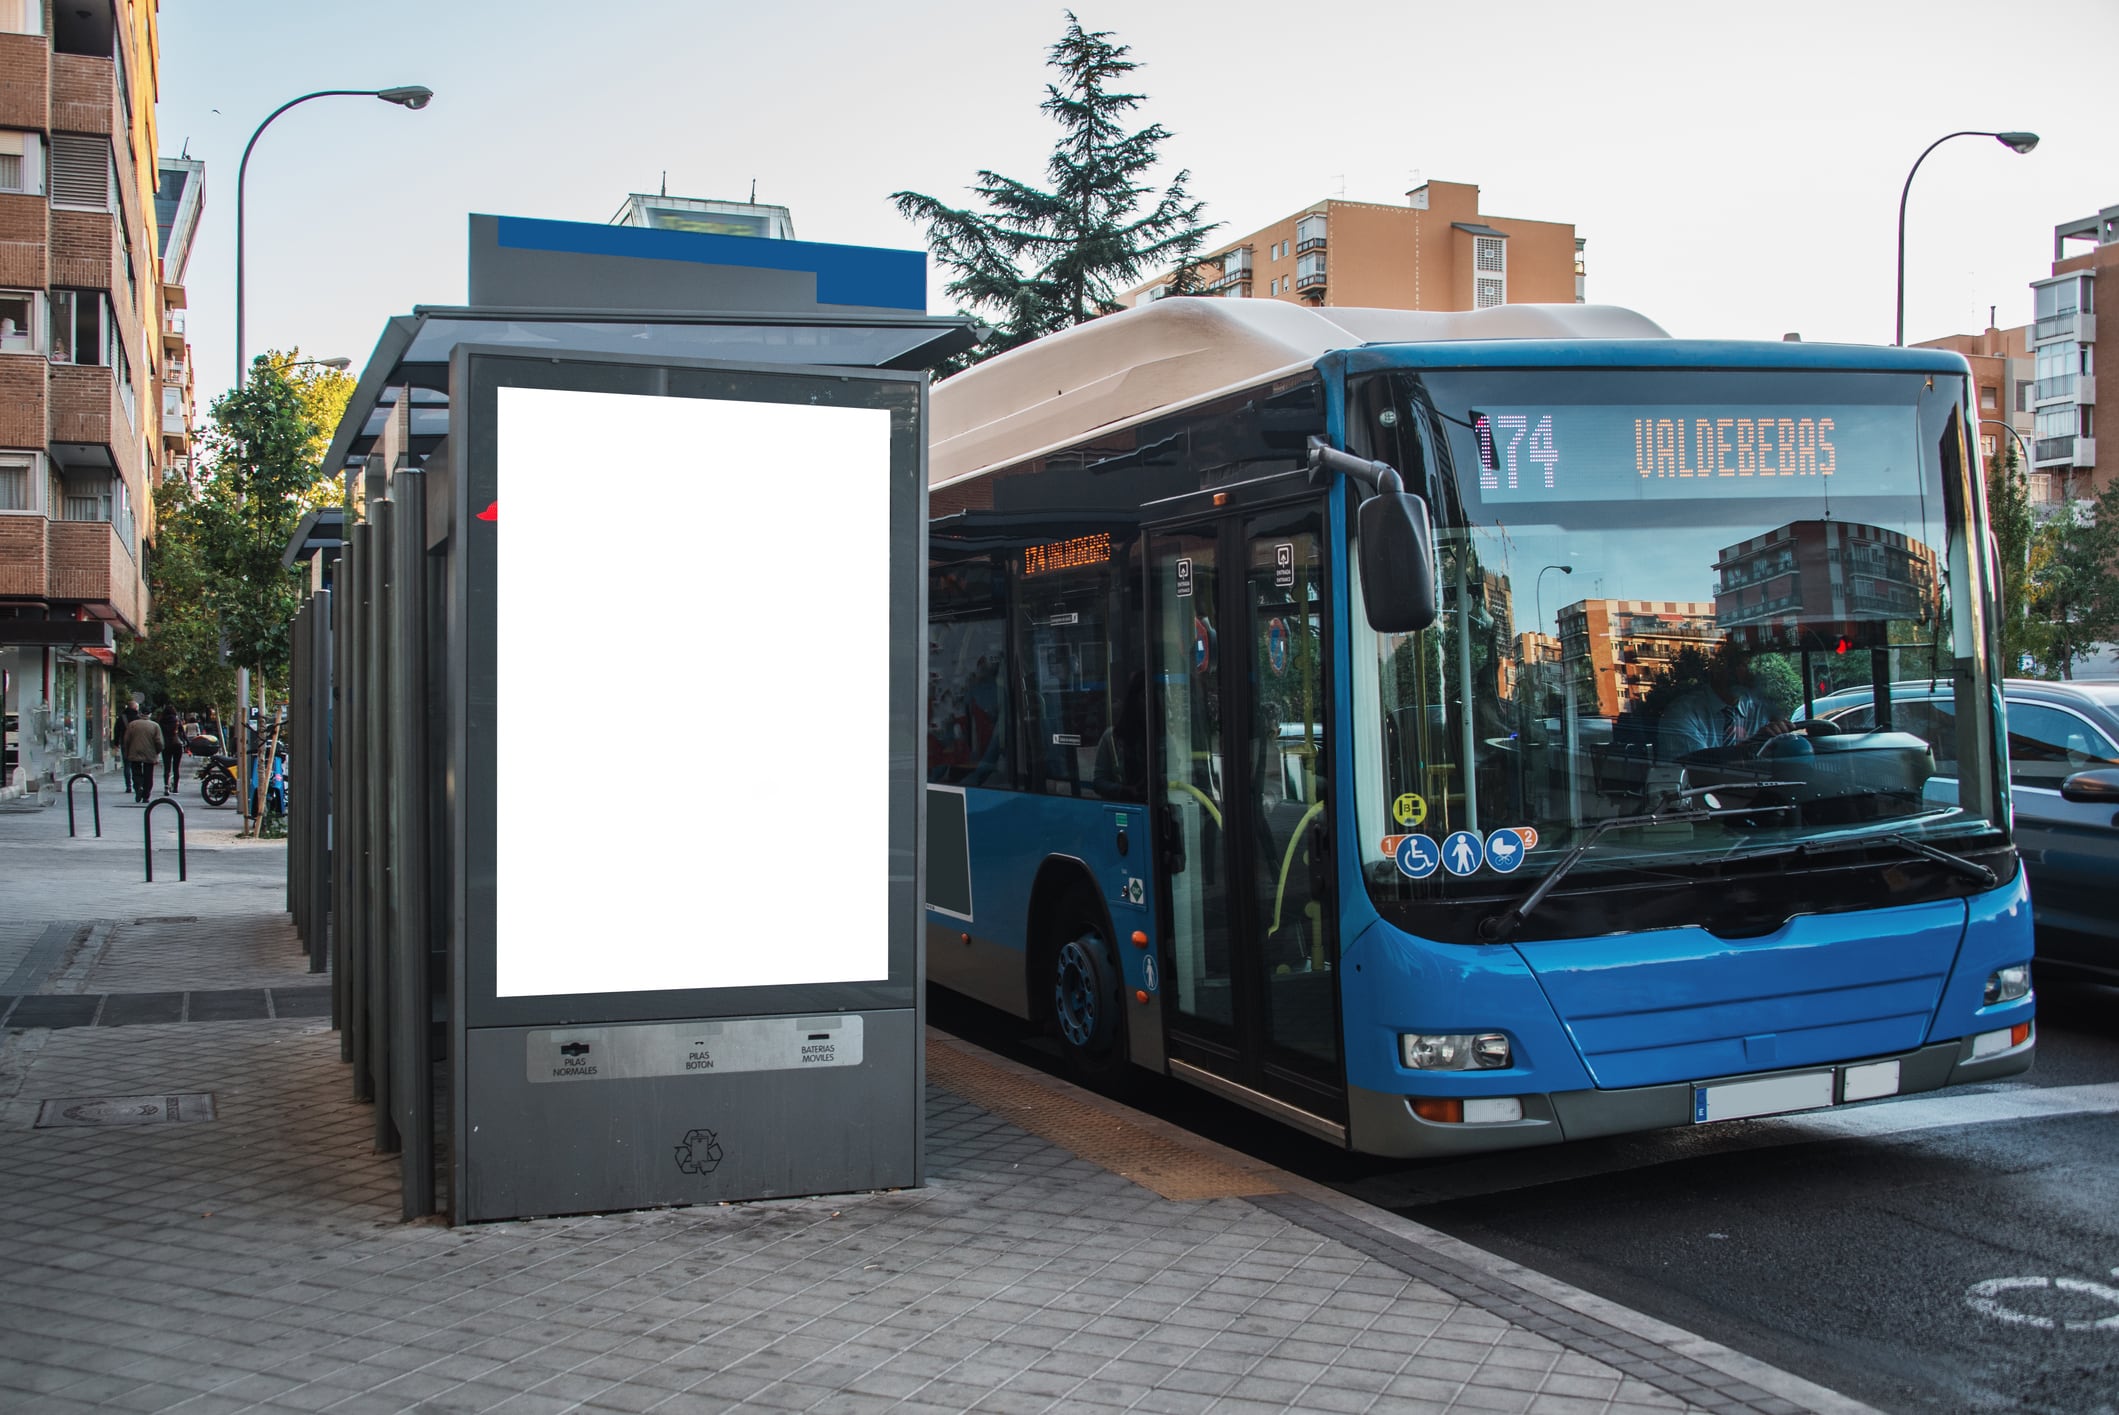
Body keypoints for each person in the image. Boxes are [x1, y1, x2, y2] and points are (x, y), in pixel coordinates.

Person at [1657, 649, 1795, 763]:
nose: (1748, 673)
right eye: (1739, 665)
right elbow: (1696, 769)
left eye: (1749, 666)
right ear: (1716, 669)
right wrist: (1752, 745)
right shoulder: (1682, 713)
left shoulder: (1759, 707)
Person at [121, 707, 163, 803]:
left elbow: (126, 740)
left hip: (134, 752)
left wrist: (127, 752)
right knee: (149, 774)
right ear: (150, 714)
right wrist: (157, 752)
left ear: (140, 714)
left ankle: (138, 787)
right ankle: (146, 795)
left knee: (136, 773)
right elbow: (159, 742)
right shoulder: (155, 726)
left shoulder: (132, 725)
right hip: (149, 753)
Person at [155, 703, 183, 794]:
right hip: (177, 744)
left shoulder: (161, 721)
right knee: (176, 767)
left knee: (167, 767)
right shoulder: (177, 721)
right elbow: (182, 733)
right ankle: (175, 788)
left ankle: (166, 787)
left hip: (166, 745)